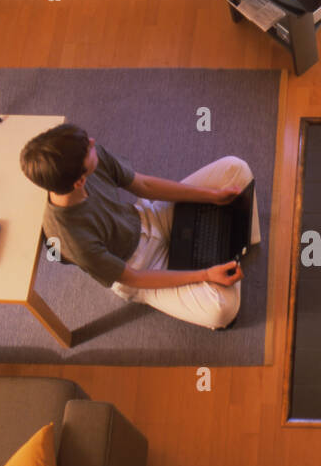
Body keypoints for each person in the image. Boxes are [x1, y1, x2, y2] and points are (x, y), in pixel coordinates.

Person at [19, 123, 258, 330]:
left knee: (236, 168)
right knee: (221, 311)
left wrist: (212, 196)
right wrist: (205, 274)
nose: (93, 142)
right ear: (79, 181)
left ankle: (241, 242)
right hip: (141, 266)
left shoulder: (92, 157)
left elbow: (144, 185)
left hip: (147, 217)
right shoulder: (71, 237)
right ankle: (225, 249)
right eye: (87, 149)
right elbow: (133, 277)